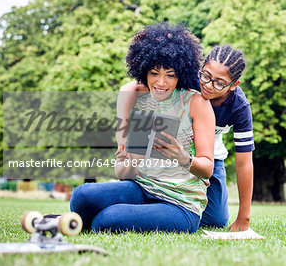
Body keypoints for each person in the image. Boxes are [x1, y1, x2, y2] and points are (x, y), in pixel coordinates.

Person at [70, 23, 215, 233]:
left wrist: (182, 157)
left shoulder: (196, 102)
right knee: (82, 195)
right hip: (142, 188)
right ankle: (87, 221)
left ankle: (89, 223)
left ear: (181, 73)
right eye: (155, 73)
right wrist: (130, 160)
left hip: (180, 203)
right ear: (143, 69)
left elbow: (207, 168)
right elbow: (122, 174)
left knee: (109, 220)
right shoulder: (137, 98)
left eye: (171, 75)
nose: (162, 82)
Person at [119, 45, 254, 231]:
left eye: (219, 83)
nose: (207, 85)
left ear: (233, 85)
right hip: (173, 152)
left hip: (209, 158)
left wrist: (243, 218)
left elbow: (244, 163)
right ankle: (152, 205)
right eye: (206, 75)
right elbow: (129, 88)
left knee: (215, 220)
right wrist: (123, 137)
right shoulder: (187, 81)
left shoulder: (239, 107)